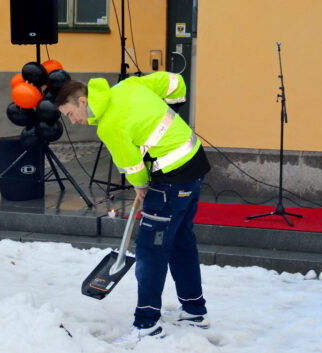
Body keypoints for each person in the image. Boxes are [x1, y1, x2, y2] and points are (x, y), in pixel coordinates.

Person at [55, 72, 211, 347]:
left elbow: (133, 166)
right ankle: (194, 310)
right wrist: (172, 108)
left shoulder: (108, 125)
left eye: (70, 114)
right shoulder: (127, 85)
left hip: (171, 178)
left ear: (82, 101)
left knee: (151, 250)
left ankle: (147, 324)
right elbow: (175, 82)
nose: (73, 121)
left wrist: (140, 186)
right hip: (194, 159)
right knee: (181, 241)